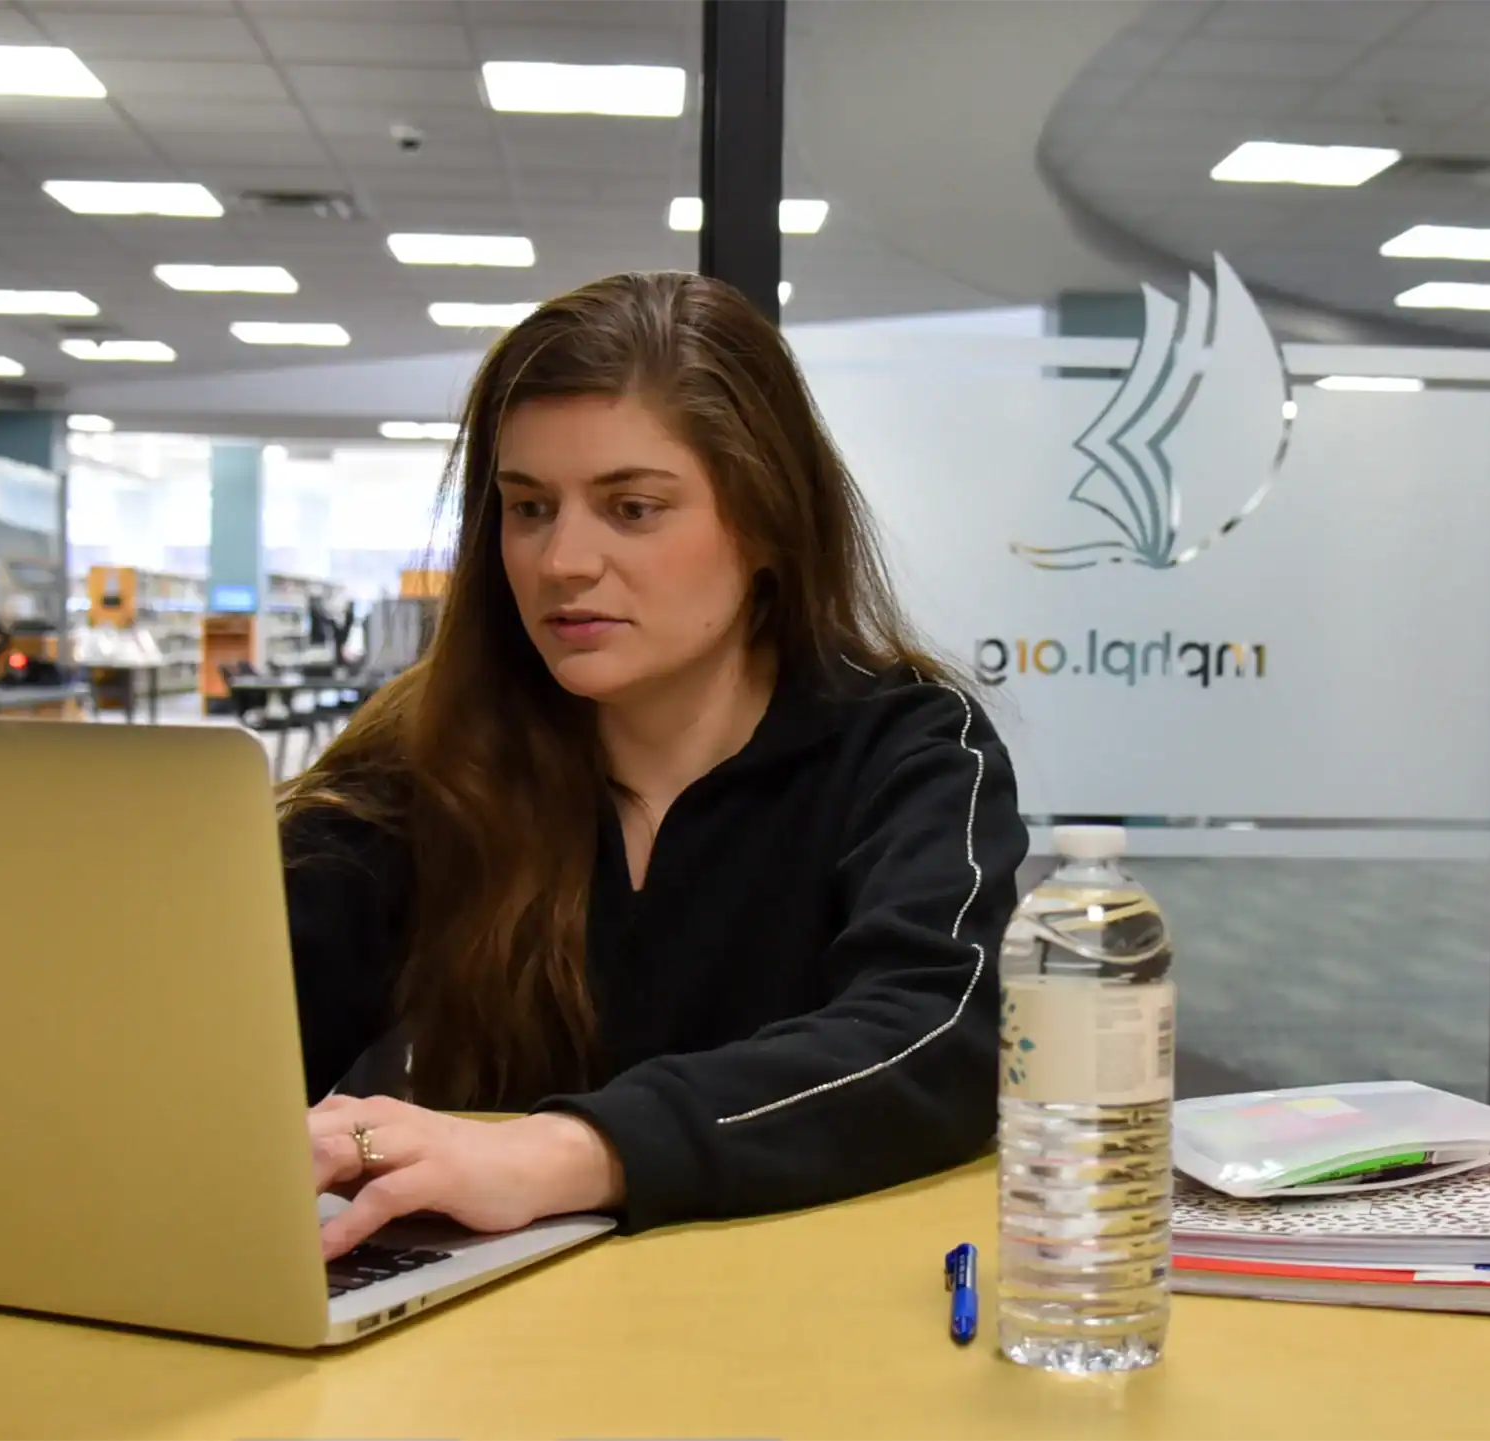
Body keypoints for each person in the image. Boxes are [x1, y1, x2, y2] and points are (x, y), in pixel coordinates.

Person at [279, 271, 1029, 1258]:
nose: (561, 562)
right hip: (483, 1354)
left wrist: (564, 1154)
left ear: (764, 521)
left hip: (798, 1320)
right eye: (529, 507)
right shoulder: (423, 764)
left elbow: (935, 1037)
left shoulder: (909, 749)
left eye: (631, 508)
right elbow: (225, 1025)